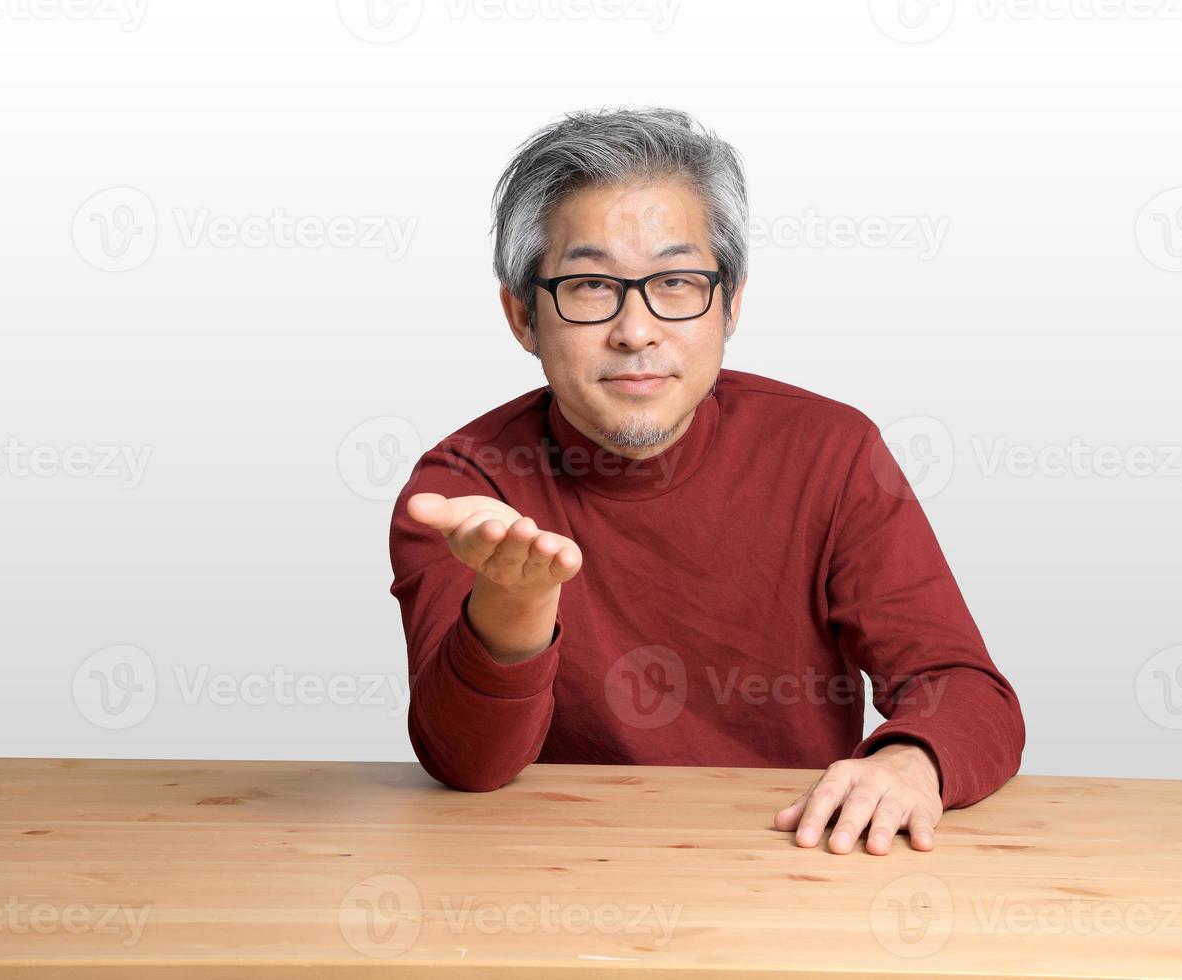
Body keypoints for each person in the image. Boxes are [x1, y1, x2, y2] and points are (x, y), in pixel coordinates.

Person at [388, 106, 1024, 856]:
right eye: (591, 286)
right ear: (523, 315)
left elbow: (964, 687)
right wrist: (513, 603)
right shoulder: (467, 488)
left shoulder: (831, 450)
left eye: (679, 282)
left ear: (731, 301)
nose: (637, 329)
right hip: (545, 881)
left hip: (788, 864)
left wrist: (912, 763)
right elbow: (466, 765)